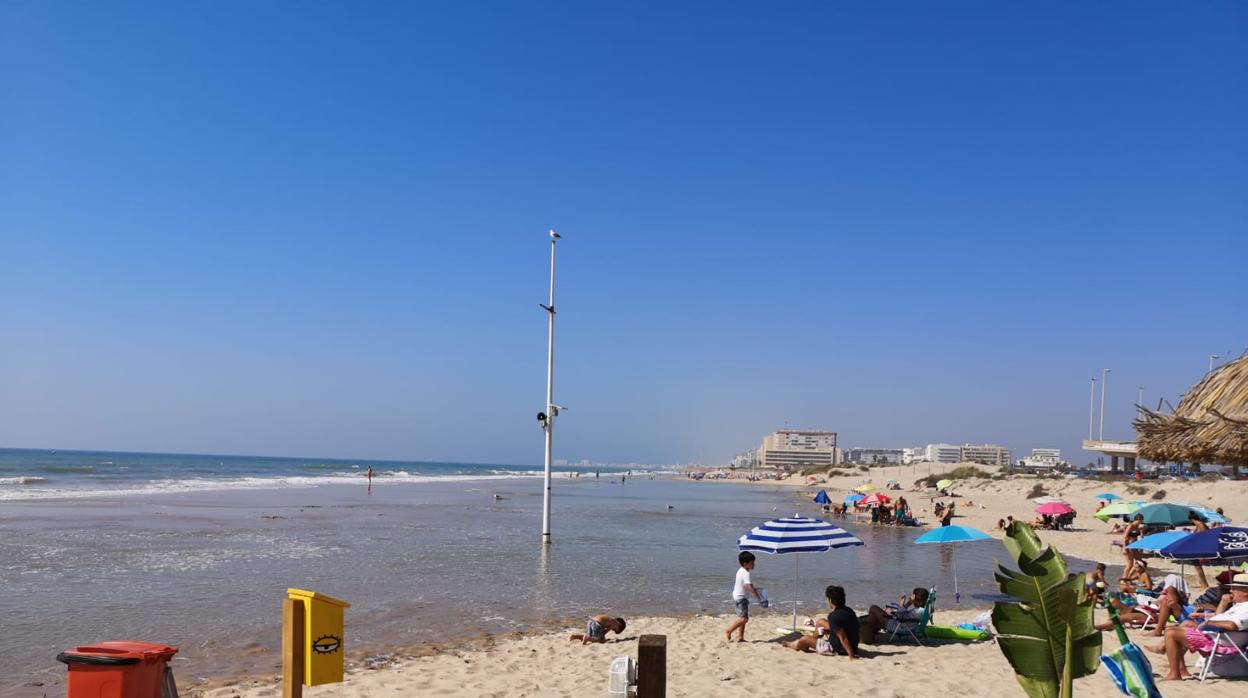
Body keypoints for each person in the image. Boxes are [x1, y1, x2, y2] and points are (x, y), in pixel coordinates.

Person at [1143, 572, 1248, 681]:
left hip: (1219, 639)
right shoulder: (1238, 606)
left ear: (1245, 592)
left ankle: (1174, 674)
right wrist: (1223, 602)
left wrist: (1208, 623)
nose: (1231, 591)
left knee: (1171, 633)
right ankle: (1181, 668)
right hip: (1216, 635)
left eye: (1235, 589)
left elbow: (1233, 625)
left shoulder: (1246, 608)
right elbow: (1219, 616)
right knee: (1178, 627)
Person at [782, 585, 859, 659]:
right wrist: (828, 631)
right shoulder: (849, 611)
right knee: (821, 622)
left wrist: (851, 656)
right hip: (853, 646)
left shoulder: (833, 616)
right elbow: (846, 629)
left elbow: (843, 637)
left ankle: (796, 646)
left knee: (804, 639)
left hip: (838, 649)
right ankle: (813, 641)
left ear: (830, 600)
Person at [859, 588, 929, 644]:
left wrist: (906, 603)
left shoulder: (918, 611)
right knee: (875, 616)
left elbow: (899, 615)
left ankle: (868, 636)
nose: (911, 598)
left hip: (898, 625)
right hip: (902, 624)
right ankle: (869, 635)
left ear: (917, 600)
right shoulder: (923, 610)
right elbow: (904, 614)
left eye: (913, 597)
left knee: (873, 608)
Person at [726, 551, 766, 642]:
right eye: (752, 563)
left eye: (754, 562)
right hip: (741, 598)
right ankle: (729, 631)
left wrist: (755, 589)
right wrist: (759, 599)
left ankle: (740, 637)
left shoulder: (741, 570)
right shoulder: (746, 573)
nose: (754, 564)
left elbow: (745, 586)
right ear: (745, 564)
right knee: (744, 619)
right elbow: (749, 586)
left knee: (742, 618)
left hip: (737, 596)